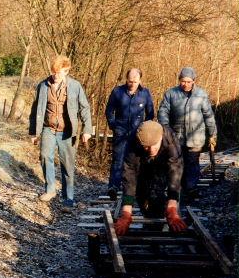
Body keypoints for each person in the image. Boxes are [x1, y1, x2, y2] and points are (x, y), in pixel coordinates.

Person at [28, 54, 93, 210]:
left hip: (67, 131)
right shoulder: (43, 86)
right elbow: (35, 109)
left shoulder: (75, 86)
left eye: (59, 72)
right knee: (44, 156)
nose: (55, 75)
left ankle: (68, 199)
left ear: (66, 71)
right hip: (48, 128)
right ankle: (50, 189)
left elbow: (84, 107)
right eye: (53, 72)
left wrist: (87, 129)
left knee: (67, 165)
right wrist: (33, 132)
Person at [114, 120, 187, 236]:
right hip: (142, 167)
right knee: (142, 194)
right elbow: (129, 175)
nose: (151, 149)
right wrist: (126, 212)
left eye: (154, 145)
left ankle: (160, 224)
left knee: (160, 195)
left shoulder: (170, 140)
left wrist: (172, 204)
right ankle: (149, 220)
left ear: (161, 137)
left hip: (163, 166)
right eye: (147, 147)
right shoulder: (133, 142)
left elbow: (175, 170)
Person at [157, 67, 217, 200]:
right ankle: (176, 189)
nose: (186, 84)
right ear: (179, 80)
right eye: (183, 81)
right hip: (175, 137)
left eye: (189, 81)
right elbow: (163, 111)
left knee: (192, 163)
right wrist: (165, 128)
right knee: (176, 163)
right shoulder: (171, 94)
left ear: (194, 81)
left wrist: (213, 134)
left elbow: (208, 115)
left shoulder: (201, 94)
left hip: (196, 137)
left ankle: (191, 189)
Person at [104, 68, 155, 200]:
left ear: (140, 80)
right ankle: (113, 187)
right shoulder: (117, 92)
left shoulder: (145, 93)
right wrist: (113, 125)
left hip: (138, 133)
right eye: (130, 81)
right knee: (118, 159)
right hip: (120, 131)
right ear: (126, 79)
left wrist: (145, 130)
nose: (132, 84)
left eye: (135, 81)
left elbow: (150, 113)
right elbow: (109, 110)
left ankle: (135, 188)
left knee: (137, 161)